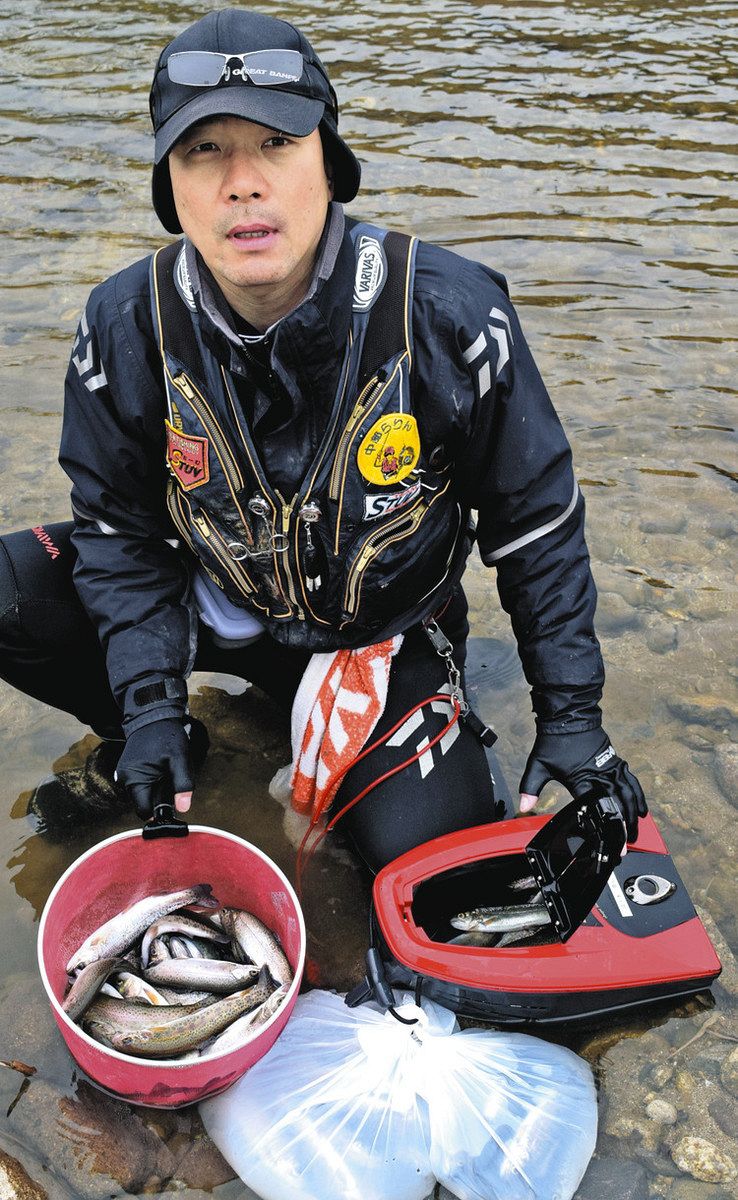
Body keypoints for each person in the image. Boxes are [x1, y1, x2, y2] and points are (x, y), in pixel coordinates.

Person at [0, 7, 645, 872]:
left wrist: (573, 716)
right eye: (204, 151)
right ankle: (158, 744)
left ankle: (393, 735)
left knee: (430, 870)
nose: (242, 183)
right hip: (215, 604)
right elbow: (119, 535)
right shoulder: (121, 322)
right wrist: (149, 705)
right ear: (171, 187)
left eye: (275, 143)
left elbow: (538, 527)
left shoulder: (451, 310)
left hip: (382, 633)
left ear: (329, 164)